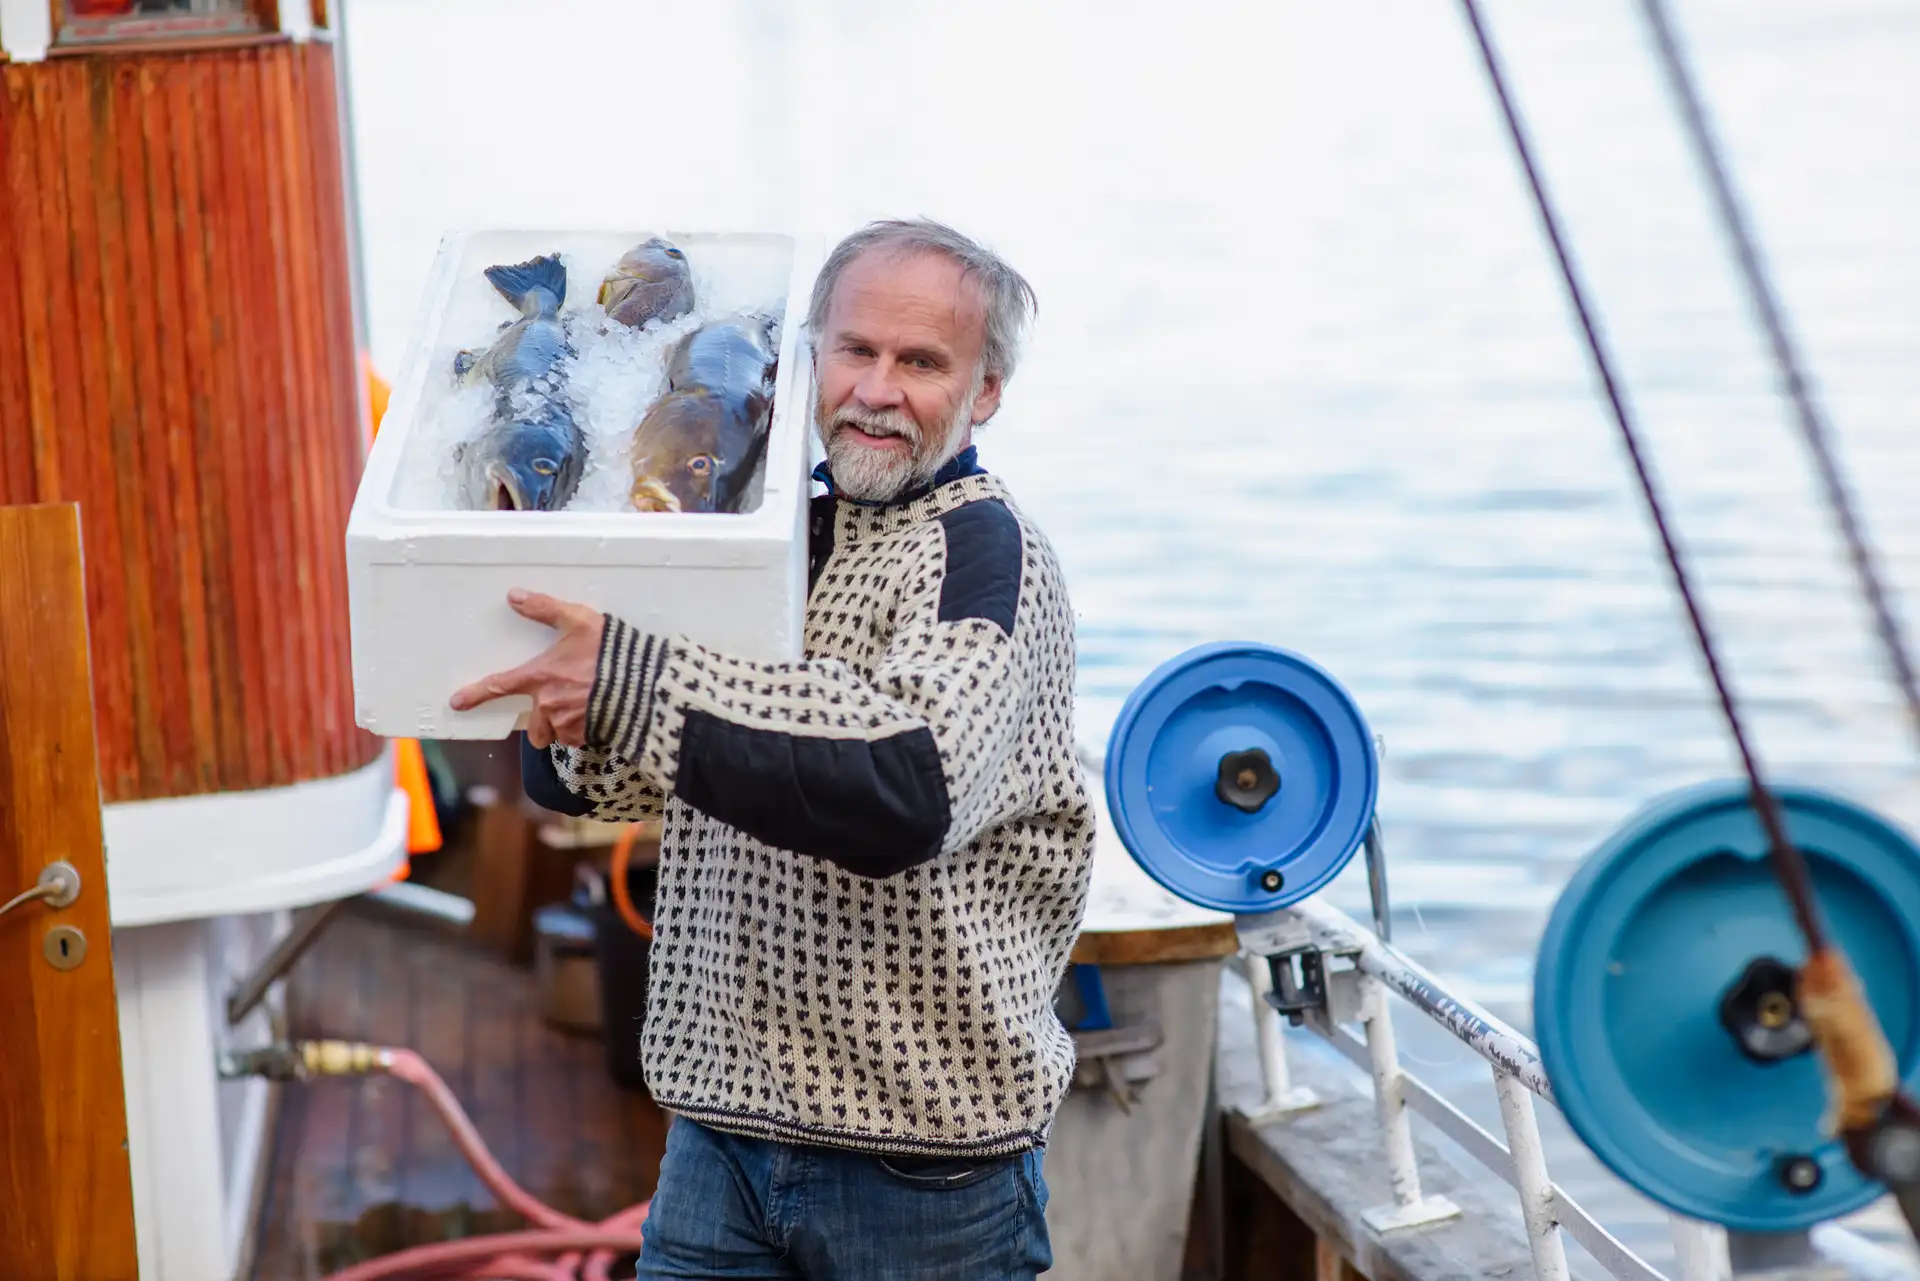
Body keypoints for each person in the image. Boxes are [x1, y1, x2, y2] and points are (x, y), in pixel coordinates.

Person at [449, 218, 1095, 1278]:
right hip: (716, 1139)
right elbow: (596, 777)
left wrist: (621, 675)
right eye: (856, 351)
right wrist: (558, 710)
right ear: (806, 358)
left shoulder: (989, 555)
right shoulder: (763, 531)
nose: (877, 391)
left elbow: (903, 789)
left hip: (922, 1172)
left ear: (983, 393)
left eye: (921, 363)